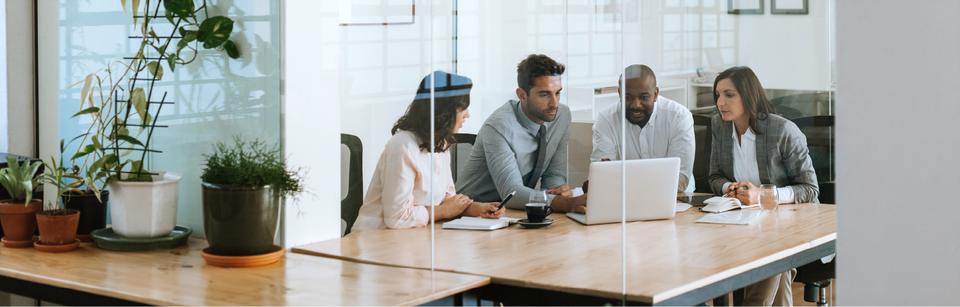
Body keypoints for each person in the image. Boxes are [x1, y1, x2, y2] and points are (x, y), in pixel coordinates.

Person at [708, 66, 819, 306]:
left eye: (729, 94)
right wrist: (730, 187)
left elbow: (810, 189)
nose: (720, 102)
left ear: (748, 96)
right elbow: (714, 176)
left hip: (788, 224)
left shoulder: (783, 131)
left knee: (774, 256)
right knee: (779, 269)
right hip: (739, 223)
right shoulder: (719, 126)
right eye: (718, 95)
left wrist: (763, 195)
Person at [352, 71, 503, 231]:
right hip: (377, 239)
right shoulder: (403, 145)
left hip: (414, 237)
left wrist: (476, 209)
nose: (468, 114)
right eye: (463, 109)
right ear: (444, 112)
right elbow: (396, 218)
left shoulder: (440, 144)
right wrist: (444, 211)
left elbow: (448, 199)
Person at [457, 54, 586, 213]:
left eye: (558, 93)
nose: (554, 103)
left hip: (517, 213)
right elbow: (512, 194)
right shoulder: (499, 126)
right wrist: (564, 203)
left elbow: (555, 175)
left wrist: (557, 192)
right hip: (474, 215)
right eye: (544, 94)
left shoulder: (561, 116)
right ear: (522, 95)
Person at [591, 64, 696, 192]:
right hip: (625, 197)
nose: (636, 105)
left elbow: (680, 179)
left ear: (656, 94)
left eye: (644, 97)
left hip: (676, 196)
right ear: (619, 93)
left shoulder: (678, 116)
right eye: (628, 97)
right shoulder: (606, 119)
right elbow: (602, 176)